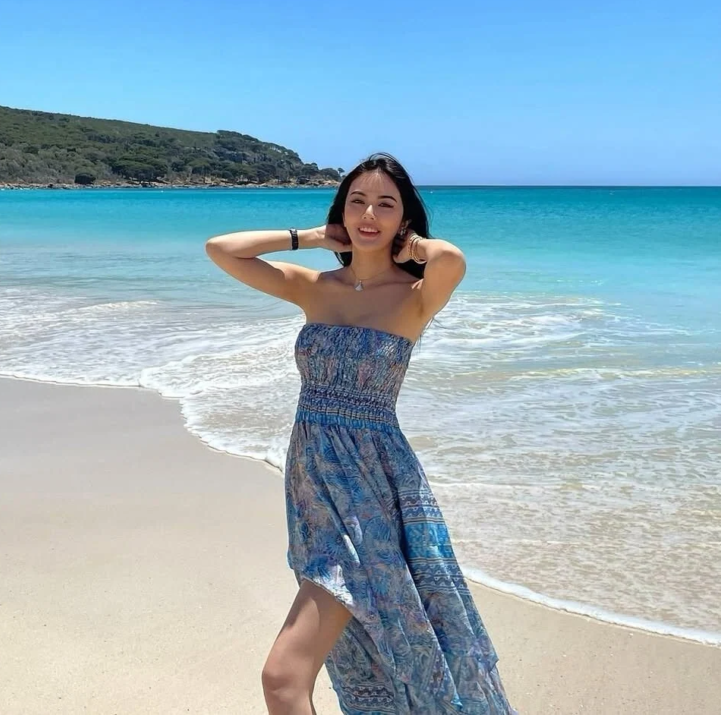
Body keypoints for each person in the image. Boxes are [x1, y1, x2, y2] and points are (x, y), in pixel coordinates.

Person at [205, 153, 517, 715]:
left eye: (385, 204)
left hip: (376, 491)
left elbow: (451, 258)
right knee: (339, 657)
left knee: (282, 677)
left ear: (404, 219)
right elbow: (222, 249)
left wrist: (411, 247)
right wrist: (309, 238)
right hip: (313, 488)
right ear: (340, 212)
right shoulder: (314, 287)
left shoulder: (414, 295)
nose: (368, 214)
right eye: (357, 202)